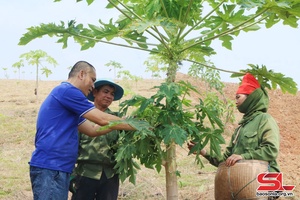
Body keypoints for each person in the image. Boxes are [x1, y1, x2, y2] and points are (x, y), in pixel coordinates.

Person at [29, 61, 136, 200]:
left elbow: (93, 130)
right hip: (51, 167)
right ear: (81, 74)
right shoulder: (67, 91)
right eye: (92, 80)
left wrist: (127, 123)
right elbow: (102, 120)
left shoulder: (70, 104)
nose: (93, 85)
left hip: (59, 168)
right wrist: (135, 125)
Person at [188, 72, 280, 171]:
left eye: (238, 97)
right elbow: (225, 160)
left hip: (265, 180)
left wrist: (244, 156)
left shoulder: (265, 119)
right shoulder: (241, 127)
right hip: (243, 179)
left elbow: (271, 150)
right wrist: (203, 152)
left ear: (251, 97)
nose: (235, 101)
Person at [70, 79, 125, 200]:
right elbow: (72, 147)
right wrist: (71, 174)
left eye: (112, 94)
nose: (109, 96)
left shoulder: (118, 119)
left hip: (109, 175)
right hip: (85, 173)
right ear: (95, 92)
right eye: (106, 92)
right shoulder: (82, 117)